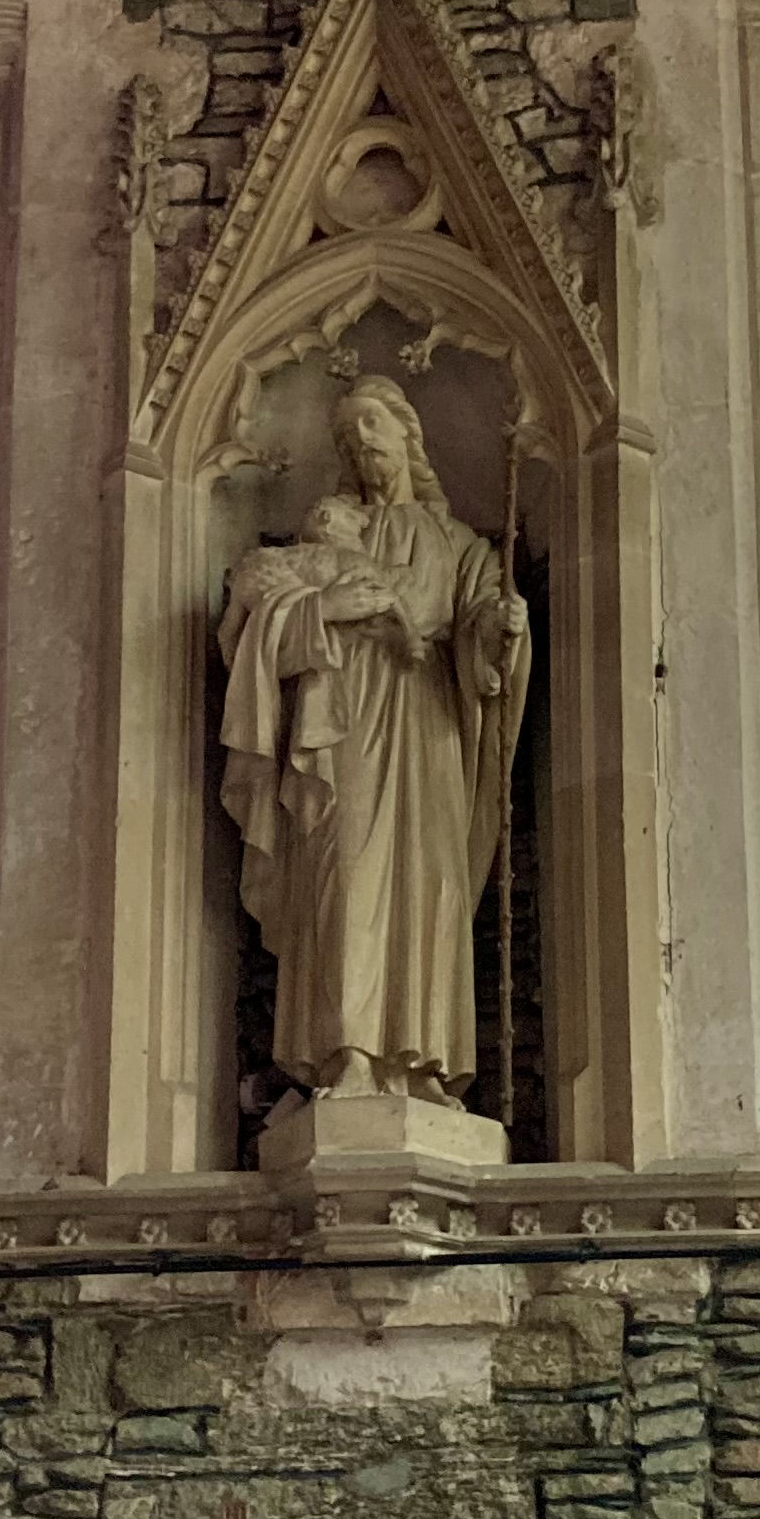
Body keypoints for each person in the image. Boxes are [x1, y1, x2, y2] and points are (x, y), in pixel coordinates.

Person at [215, 374, 529, 1106]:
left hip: (428, 727)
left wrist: (499, 631)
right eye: (349, 433)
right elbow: (253, 631)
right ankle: (346, 1055)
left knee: (433, 887)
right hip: (344, 726)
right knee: (346, 877)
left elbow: (486, 637)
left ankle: (423, 1067)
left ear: (409, 436)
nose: (362, 442)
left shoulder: (457, 545)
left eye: (374, 426)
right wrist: (324, 609)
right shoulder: (320, 542)